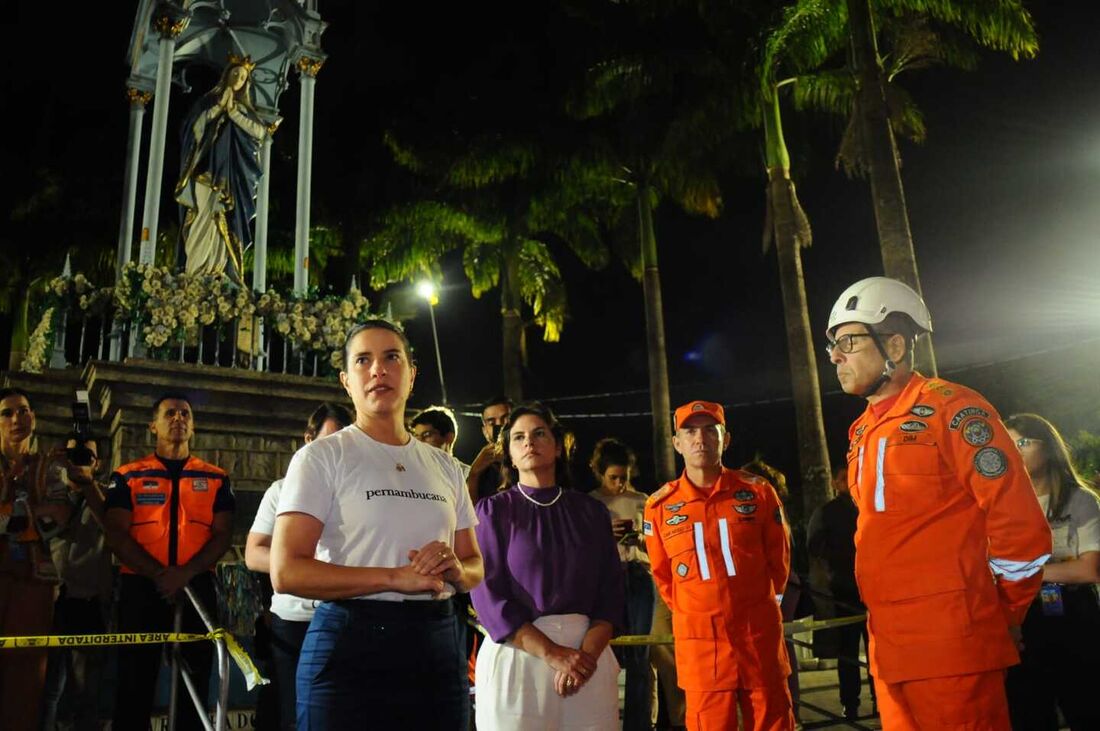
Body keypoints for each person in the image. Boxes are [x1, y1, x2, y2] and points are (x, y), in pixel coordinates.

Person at [825, 276, 1052, 729]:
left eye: (848, 341)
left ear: (893, 345)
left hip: (954, 646)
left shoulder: (954, 410)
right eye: (832, 344)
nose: (835, 356)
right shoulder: (863, 433)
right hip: (890, 650)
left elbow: (1020, 527)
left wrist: (1000, 614)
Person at [271, 320, 483, 730]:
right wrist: (395, 578)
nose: (378, 370)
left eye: (391, 358)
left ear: (411, 374)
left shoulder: (444, 466)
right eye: (363, 360)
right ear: (346, 380)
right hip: (349, 646)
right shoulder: (321, 458)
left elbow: (475, 564)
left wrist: (457, 571)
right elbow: (286, 571)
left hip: (437, 646)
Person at [471, 403, 624, 730]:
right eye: (518, 437)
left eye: (539, 434)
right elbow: (487, 596)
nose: (529, 442)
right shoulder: (493, 512)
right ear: (510, 454)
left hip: (588, 659)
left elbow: (611, 592)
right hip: (518, 656)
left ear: (558, 446)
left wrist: (585, 658)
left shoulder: (592, 512)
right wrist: (553, 654)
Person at [644, 400, 794, 731]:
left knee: (774, 722)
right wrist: (698, 610)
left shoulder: (757, 491)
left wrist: (758, 607)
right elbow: (663, 577)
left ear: (725, 440)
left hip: (758, 640)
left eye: (710, 431)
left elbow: (778, 562)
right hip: (702, 650)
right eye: (690, 431)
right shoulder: (658, 507)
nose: (701, 439)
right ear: (677, 443)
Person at [104, 393, 236, 731]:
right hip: (141, 587)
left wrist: (185, 574)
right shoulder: (127, 476)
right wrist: (160, 575)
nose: (178, 418)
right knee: (134, 682)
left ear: (192, 426)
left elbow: (222, 535)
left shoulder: (217, 478)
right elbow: (116, 534)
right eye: (169, 413)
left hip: (196, 588)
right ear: (153, 426)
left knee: (194, 679)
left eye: (185, 414)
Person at [245, 402, 353, 731]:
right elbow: (254, 553)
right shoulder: (282, 490)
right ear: (309, 440)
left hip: (347, 616)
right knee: (294, 712)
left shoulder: (357, 493)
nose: (337, 451)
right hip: (294, 622)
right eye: (329, 440)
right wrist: (298, 566)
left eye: (346, 442)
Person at [0, 387, 90, 731]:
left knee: (25, 679)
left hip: (33, 586)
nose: (16, 419)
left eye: (23, 411)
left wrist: (15, 519)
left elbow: (59, 518)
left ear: (34, 418)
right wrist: (27, 519)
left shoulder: (48, 466)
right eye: (7, 413)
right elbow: (41, 518)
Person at [1003, 413, 1100, 730]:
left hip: (1075, 618)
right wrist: (1058, 567)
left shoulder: (1080, 499)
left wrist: (1022, 569)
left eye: (1023, 442)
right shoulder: (1000, 506)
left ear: (1049, 448)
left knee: (1085, 708)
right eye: (1008, 443)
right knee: (1029, 713)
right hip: (1022, 621)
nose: (1014, 451)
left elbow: (1090, 570)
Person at [175, 55, 268, 283]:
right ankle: (196, 272)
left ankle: (218, 270)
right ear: (227, 74)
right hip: (205, 172)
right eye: (235, 73)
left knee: (222, 222)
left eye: (243, 77)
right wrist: (219, 109)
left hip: (229, 176)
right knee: (202, 218)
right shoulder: (208, 102)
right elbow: (193, 129)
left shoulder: (243, 110)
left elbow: (261, 134)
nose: (238, 79)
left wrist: (234, 113)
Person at [41, 450, 112, 731]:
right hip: (50, 598)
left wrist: (87, 486)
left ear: (98, 463)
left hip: (89, 602)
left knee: (85, 692)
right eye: (71, 455)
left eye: (86, 456)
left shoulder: (105, 496)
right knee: (47, 689)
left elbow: (113, 526)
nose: (77, 462)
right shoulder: (47, 494)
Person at [589, 437, 655, 731]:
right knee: (605, 653)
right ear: (600, 474)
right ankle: (604, 721)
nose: (618, 484)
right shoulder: (590, 503)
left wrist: (641, 539)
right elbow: (581, 550)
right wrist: (605, 535)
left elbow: (657, 545)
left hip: (640, 573)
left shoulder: (643, 500)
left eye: (623, 478)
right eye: (613, 478)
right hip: (607, 577)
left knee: (640, 656)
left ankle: (638, 725)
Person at [806, 466, 873, 721]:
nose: (848, 481)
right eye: (843, 478)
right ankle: (850, 704)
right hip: (844, 591)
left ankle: (880, 699)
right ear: (834, 483)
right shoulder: (827, 512)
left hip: (873, 588)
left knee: (879, 650)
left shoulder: (869, 504)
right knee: (848, 653)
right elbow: (814, 548)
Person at [466, 396, 511, 504]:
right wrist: (474, 474)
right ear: (485, 431)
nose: (499, 425)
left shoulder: (530, 455)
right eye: (491, 422)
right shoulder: (481, 470)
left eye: (505, 419)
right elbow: (470, 514)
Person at [411, 406, 468, 475]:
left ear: (449, 437)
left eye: (427, 435)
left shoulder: (466, 475)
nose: (419, 441)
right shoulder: (413, 473)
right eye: (416, 436)